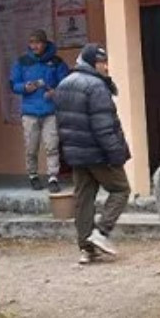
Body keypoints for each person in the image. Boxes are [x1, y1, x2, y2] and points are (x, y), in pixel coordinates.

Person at [54, 43, 131, 264]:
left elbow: (62, 123)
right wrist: (115, 154)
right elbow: (103, 126)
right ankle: (101, 233)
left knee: (84, 198)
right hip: (98, 153)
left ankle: (86, 249)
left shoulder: (64, 84)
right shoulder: (96, 86)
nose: (105, 67)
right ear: (91, 63)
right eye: (101, 63)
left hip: (76, 153)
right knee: (121, 190)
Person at [9, 29, 70, 192]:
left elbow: (66, 83)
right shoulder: (22, 62)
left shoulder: (56, 62)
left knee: (52, 145)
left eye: (37, 42)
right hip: (29, 112)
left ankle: (53, 177)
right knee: (31, 147)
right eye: (31, 43)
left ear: (45, 43)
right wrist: (24, 87)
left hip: (50, 111)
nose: (34, 46)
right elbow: (13, 84)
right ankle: (33, 175)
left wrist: (55, 92)